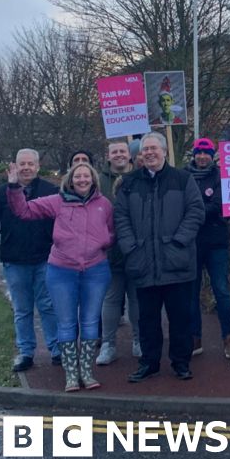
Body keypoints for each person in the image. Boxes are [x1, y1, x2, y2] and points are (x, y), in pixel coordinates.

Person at [7, 161, 114, 392]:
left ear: (93, 179)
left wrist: (104, 241)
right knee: (65, 323)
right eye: (78, 177)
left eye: (86, 176)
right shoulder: (58, 201)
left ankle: (86, 371)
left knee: (90, 322)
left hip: (96, 270)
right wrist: (15, 187)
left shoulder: (103, 204)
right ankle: (71, 375)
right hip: (62, 270)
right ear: (70, 180)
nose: (82, 180)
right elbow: (23, 210)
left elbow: (111, 229)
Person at [114, 132, 205, 382]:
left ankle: (181, 362)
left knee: (180, 318)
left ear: (165, 151)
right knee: (147, 320)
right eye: (146, 149)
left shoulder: (183, 179)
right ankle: (149, 363)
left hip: (177, 262)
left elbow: (196, 211)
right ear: (140, 154)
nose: (150, 153)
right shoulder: (129, 183)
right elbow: (120, 217)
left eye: (155, 148)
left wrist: (179, 241)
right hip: (143, 262)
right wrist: (131, 247)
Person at [0, 148, 60, 372]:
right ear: (14, 166)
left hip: (46, 259)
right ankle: (26, 352)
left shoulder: (50, 191)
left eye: (30, 164)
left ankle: (56, 349)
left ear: (38, 166)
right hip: (15, 261)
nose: (26, 168)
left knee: (48, 306)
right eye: (21, 164)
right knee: (22, 309)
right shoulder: (1, 193)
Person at [187, 138, 230, 359]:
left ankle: (229, 338)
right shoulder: (184, 176)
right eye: (198, 153)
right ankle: (194, 337)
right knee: (191, 293)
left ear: (212, 155)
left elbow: (219, 205)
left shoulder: (220, 176)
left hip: (217, 242)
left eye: (206, 153)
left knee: (222, 291)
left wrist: (193, 212)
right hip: (191, 243)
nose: (202, 157)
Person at [96, 140, 141, 365]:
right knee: (111, 300)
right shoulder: (99, 181)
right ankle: (108, 344)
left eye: (123, 151)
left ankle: (138, 340)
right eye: (115, 152)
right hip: (110, 252)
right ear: (109, 155)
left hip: (137, 250)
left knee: (137, 300)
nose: (119, 155)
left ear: (129, 155)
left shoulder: (141, 177)